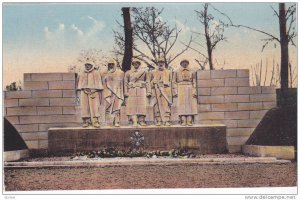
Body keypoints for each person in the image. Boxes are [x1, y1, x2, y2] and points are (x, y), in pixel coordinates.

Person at [77, 60, 103, 128]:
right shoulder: (82, 73)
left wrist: (94, 89)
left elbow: (99, 83)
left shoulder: (96, 73)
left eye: (88, 65)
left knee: (94, 107)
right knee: (85, 106)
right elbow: (80, 84)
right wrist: (83, 89)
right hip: (84, 92)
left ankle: (95, 121)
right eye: (86, 65)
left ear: (91, 65)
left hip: (94, 92)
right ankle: (86, 121)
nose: (87, 66)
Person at [124, 59, 151, 127]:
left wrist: (149, 91)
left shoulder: (144, 72)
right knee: (132, 106)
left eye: (137, 63)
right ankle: (134, 121)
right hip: (132, 90)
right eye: (134, 63)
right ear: (132, 64)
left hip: (141, 90)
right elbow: (125, 83)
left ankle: (141, 120)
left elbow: (147, 81)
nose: (136, 64)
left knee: (141, 105)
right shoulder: (128, 72)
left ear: (139, 64)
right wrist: (126, 92)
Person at [173, 59, 198, 126]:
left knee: (190, 104)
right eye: (183, 63)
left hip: (190, 87)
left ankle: (189, 119)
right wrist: (175, 91)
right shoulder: (176, 71)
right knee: (182, 104)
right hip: (180, 87)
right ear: (181, 64)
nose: (185, 64)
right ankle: (183, 119)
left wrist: (194, 90)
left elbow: (194, 81)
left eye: (186, 63)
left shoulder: (192, 71)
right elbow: (174, 82)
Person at [150, 57, 173, 126]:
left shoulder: (169, 71)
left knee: (166, 105)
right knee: (157, 105)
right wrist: (154, 83)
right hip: (156, 90)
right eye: (159, 62)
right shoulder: (153, 72)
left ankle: (167, 120)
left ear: (164, 63)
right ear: (157, 63)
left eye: (162, 62)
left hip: (166, 89)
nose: (161, 64)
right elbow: (149, 82)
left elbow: (172, 81)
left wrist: (172, 91)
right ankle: (158, 120)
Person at [103, 59, 125, 127]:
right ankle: (108, 122)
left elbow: (122, 83)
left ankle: (117, 121)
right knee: (108, 107)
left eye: (112, 64)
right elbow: (103, 82)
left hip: (117, 93)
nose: (111, 66)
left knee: (117, 108)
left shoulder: (120, 72)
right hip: (108, 93)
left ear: (115, 64)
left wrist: (121, 93)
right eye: (110, 64)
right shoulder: (104, 73)